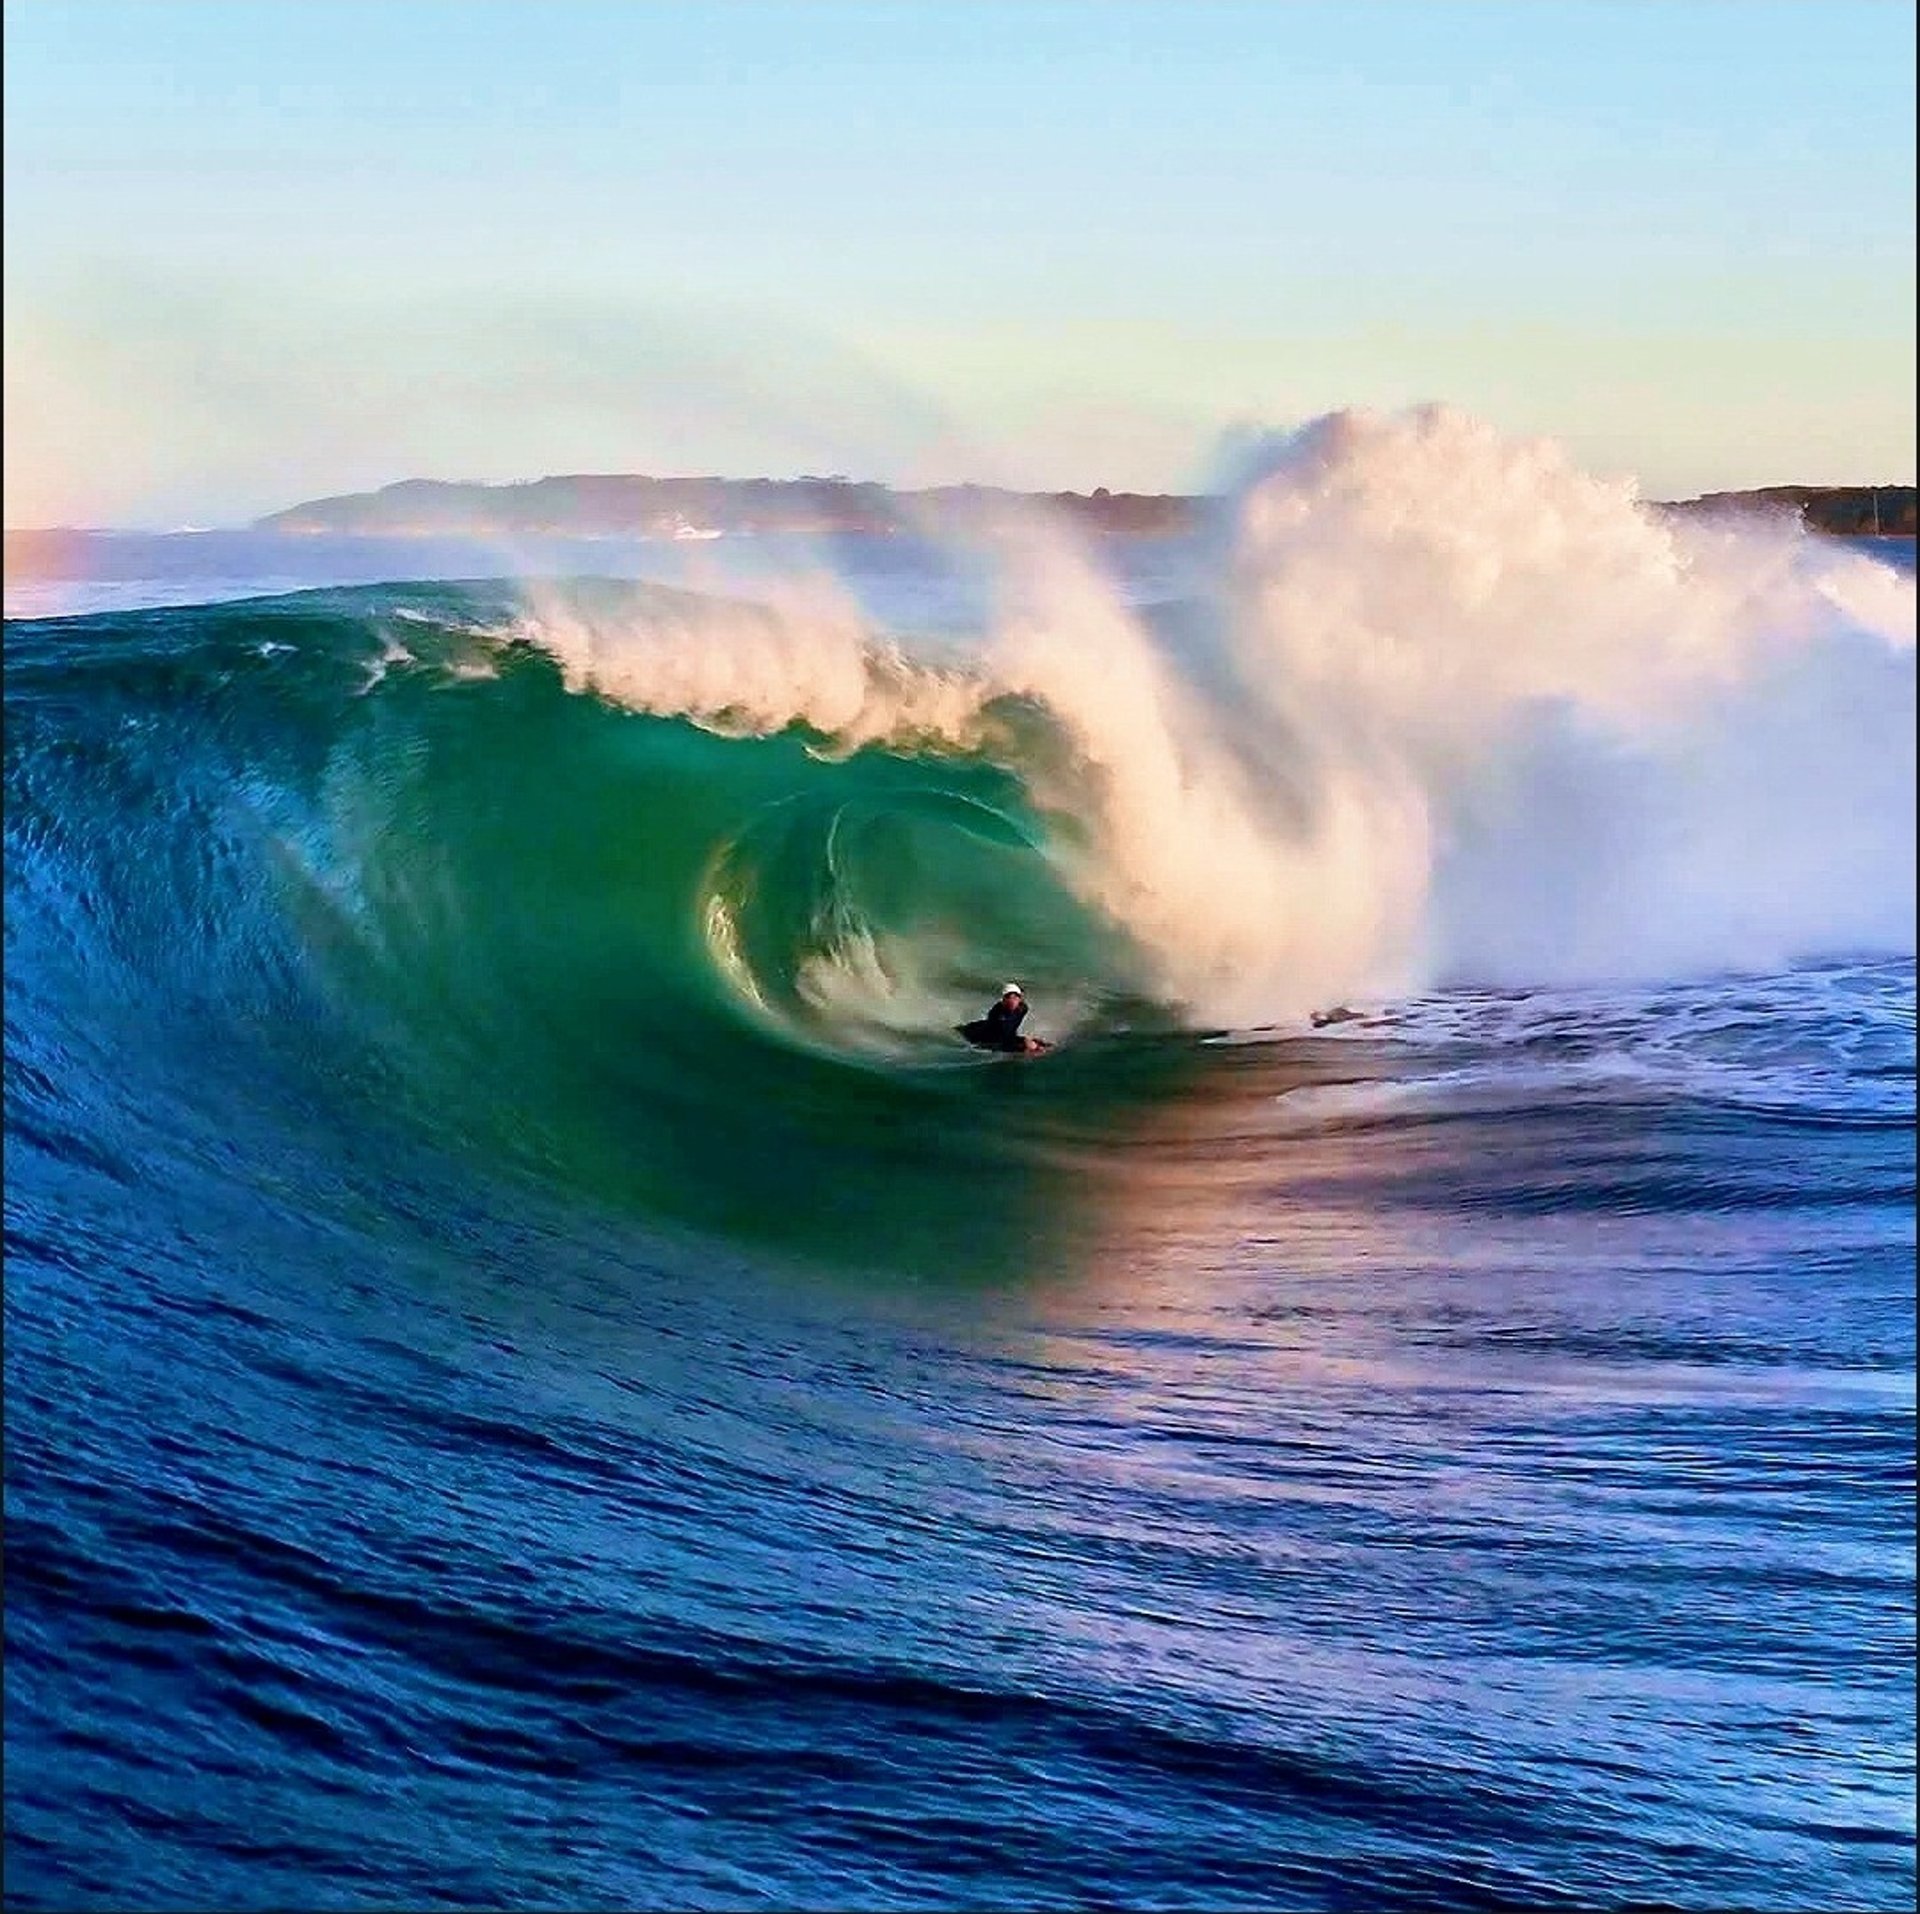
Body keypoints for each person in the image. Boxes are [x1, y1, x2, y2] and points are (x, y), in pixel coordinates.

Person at [972, 983, 1044, 1054]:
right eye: (1008, 997)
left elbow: (1011, 1033)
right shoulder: (999, 1016)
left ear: (1020, 999)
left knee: (1040, 1044)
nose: (1012, 1001)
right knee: (1031, 1047)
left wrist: (1027, 1041)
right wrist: (1024, 1043)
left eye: (1015, 997)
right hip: (979, 1036)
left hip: (999, 1035)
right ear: (1003, 1000)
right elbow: (1001, 1042)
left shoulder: (1023, 1008)